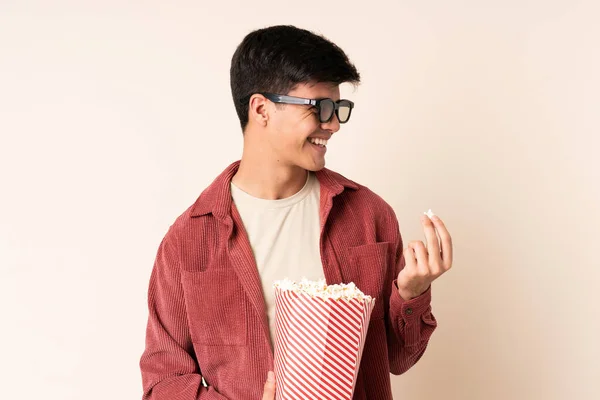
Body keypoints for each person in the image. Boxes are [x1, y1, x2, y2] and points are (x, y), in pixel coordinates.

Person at [139, 25, 453, 400]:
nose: (333, 124)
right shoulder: (187, 242)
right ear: (261, 109)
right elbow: (163, 382)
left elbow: (398, 359)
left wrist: (411, 292)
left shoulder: (369, 216)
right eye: (320, 108)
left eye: (339, 109)